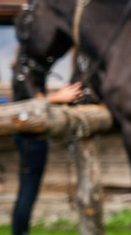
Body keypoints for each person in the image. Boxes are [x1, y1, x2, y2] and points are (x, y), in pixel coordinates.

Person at [12, 82, 83, 235]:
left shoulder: (29, 72)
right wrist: (58, 97)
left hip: (34, 138)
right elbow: (27, 105)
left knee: (29, 191)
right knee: (27, 191)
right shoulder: (25, 70)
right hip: (29, 138)